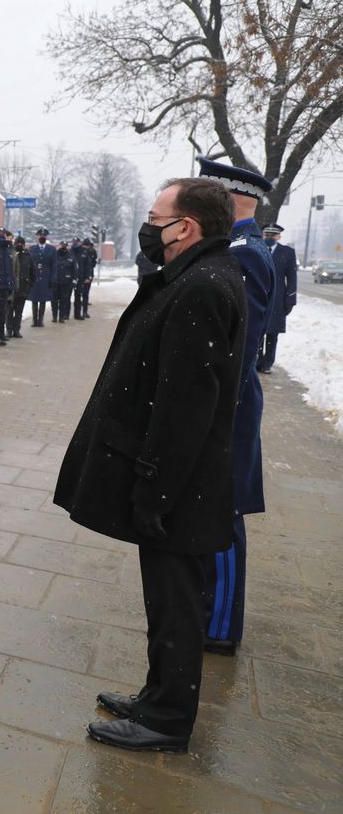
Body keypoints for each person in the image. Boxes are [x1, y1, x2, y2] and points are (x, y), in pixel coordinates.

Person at [55, 176, 246, 753]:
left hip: (179, 487)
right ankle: (159, 693)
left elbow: (185, 407)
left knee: (176, 602)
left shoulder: (202, 287)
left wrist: (153, 491)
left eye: (155, 215)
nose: (148, 223)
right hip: (179, 482)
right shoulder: (197, 277)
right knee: (167, 599)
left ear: (184, 226)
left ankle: (166, 719)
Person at [195, 157, 275, 657]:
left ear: (228, 198)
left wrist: (211, 412)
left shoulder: (245, 253)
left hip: (228, 410)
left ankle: (219, 626)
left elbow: (238, 347)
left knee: (223, 517)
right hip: (223, 407)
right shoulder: (235, 248)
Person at [257, 222, 297, 374]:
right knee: (258, 331)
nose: (269, 238)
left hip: (277, 300)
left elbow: (292, 278)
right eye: (267, 235)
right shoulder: (257, 249)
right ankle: (257, 361)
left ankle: (267, 363)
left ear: (279, 236)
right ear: (263, 235)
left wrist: (290, 300)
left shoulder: (287, 252)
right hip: (259, 296)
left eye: (273, 235)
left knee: (272, 334)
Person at [8, 234, 35, 338]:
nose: (19, 245)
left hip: (23, 289)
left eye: (21, 244)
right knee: (9, 312)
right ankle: (9, 330)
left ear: (24, 245)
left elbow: (33, 272)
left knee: (19, 312)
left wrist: (30, 285)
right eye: (17, 243)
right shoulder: (11, 254)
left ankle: (16, 330)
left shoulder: (28, 256)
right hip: (11, 289)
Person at [28, 228, 56, 326]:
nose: (42, 237)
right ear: (37, 237)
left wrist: (52, 278)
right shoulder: (31, 249)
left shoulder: (51, 249)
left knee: (43, 299)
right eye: (40, 236)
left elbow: (54, 265)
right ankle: (34, 320)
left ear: (46, 237)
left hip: (45, 277)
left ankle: (41, 320)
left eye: (44, 236)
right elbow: (29, 264)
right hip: (35, 277)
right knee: (34, 299)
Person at [73, 238, 98, 319]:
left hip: (86, 275)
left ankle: (84, 312)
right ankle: (83, 312)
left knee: (83, 295)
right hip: (83, 276)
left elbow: (93, 263)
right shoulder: (81, 252)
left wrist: (89, 275)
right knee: (83, 295)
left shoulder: (91, 252)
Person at [53, 239, 76, 322]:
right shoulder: (55, 255)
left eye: (65, 246)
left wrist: (74, 280)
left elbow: (74, 269)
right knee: (54, 300)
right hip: (56, 281)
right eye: (62, 245)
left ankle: (62, 317)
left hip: (66, 282)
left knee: (64, 300)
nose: (64, 247)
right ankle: (54, 316)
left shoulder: (70, 256)